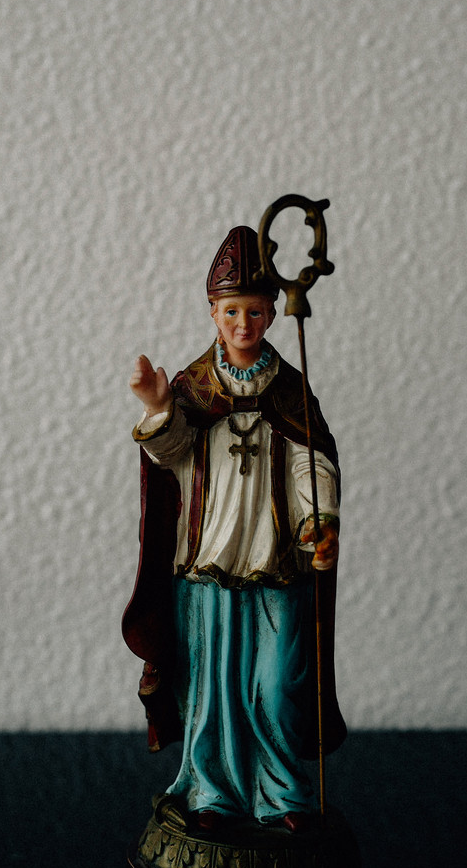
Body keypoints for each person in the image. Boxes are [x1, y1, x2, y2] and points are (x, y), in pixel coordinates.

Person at [122, 225, 344, 833]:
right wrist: (157, 409)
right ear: (213, 313)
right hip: (209, 562)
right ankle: (213, 794)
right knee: (212, 689)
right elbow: (170, 455)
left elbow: (310, 460)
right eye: (231, 312)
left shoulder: (289, 389)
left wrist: (319, 517)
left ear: (271, 313)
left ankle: (283, 794)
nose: (243, 324)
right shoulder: (193, 387)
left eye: (254, 311)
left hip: (278, 563)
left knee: (276, 686)